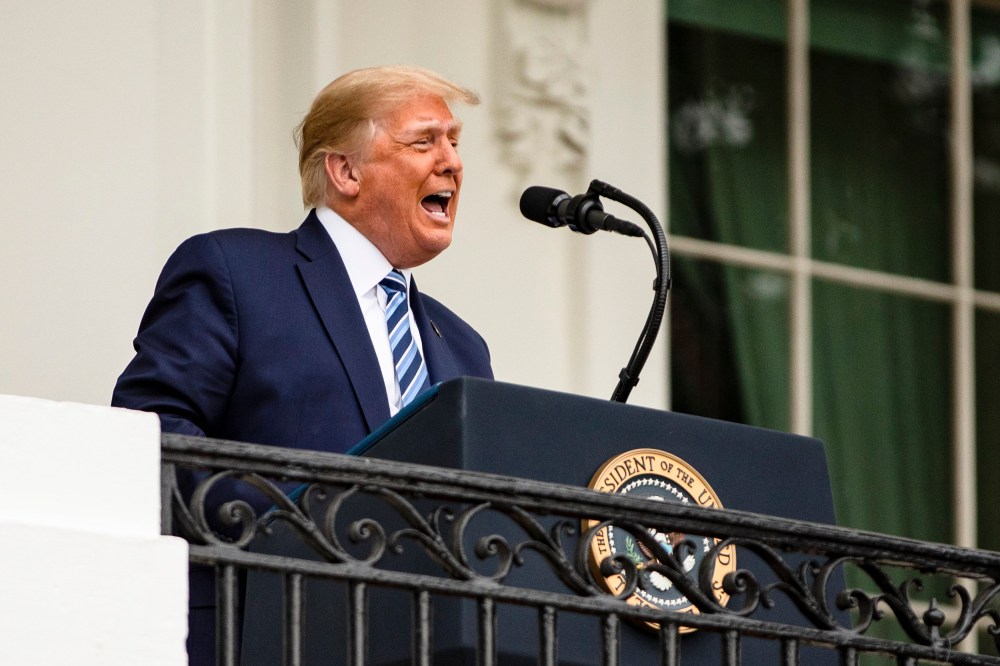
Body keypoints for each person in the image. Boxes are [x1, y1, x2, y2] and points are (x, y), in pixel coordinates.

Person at [112, 65, 494, 664]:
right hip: (260, 634)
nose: (451, 161)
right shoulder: (237, 271)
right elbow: (150, 436)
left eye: (454, 141)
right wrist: (304, 526)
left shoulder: (463, 347)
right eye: (424, 141)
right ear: (345, 171)